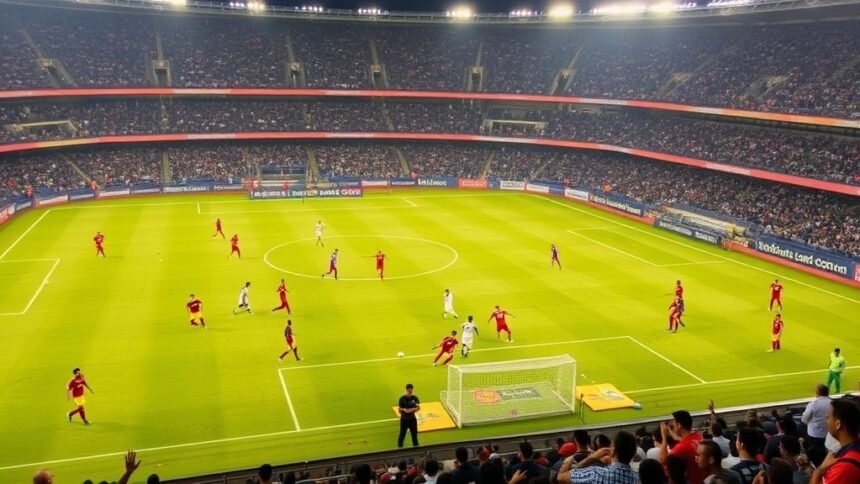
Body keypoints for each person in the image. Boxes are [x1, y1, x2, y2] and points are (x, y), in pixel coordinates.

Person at [810, 396, 860, 484]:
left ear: (838, 424)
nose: (826, 421)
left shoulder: (844, 468)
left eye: (828, 417)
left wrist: (818, 471)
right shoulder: (850, 449)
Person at [557, 431, 638, 484]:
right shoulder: (638, 478)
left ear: (613, 451)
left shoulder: (595, 473)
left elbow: (561, 477)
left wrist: (591, 458)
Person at [659, 410, 705, 484]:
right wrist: (672, 433)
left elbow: (662, 460)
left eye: (673, 423)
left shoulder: (681, 448)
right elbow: (686, 440)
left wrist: (664, 438)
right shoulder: (698, 435)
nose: (671, 425)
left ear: (679, 425)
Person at [802, 383, 831, 466]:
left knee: (817, 456)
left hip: (815, 436)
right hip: (829, 435)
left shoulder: (813, 404)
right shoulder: (833, 403)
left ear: (817, 392)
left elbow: (804, 419)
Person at [397, 383, 420, 448]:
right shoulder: (402, 398)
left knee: (414, 436)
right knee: (402, 435)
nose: (409, 391)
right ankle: (400, 448)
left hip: (412, 419)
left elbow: (418, 408)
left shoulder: (415, 398)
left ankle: (416, 448)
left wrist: (407, 410)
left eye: (410, 390)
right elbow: (400, 410)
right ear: (406, 390)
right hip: (404, 420)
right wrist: (410, 409)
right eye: (408, 390)